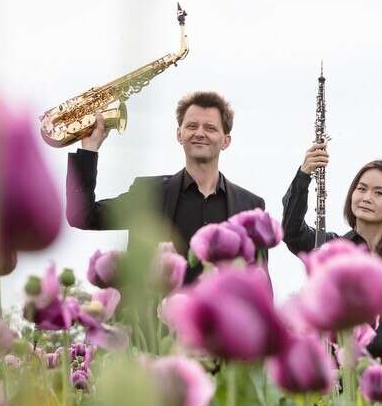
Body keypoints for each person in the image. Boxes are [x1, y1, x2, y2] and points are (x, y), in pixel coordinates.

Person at [66, 91, 265, 283]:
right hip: (154, 317)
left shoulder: (250, 206)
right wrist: (89, 150)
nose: (199, 133)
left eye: (210, 128)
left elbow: (260, 281)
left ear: (226, 141)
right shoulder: (148, 194)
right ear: (179, 134)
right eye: (192, 126)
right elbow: (82, 216)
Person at [284, 146, 382, 361]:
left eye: (379, 193)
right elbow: (292, 233)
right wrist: (304, 175)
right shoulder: (332, 248)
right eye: (361, 188)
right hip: (335, 376)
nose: (366, 197)